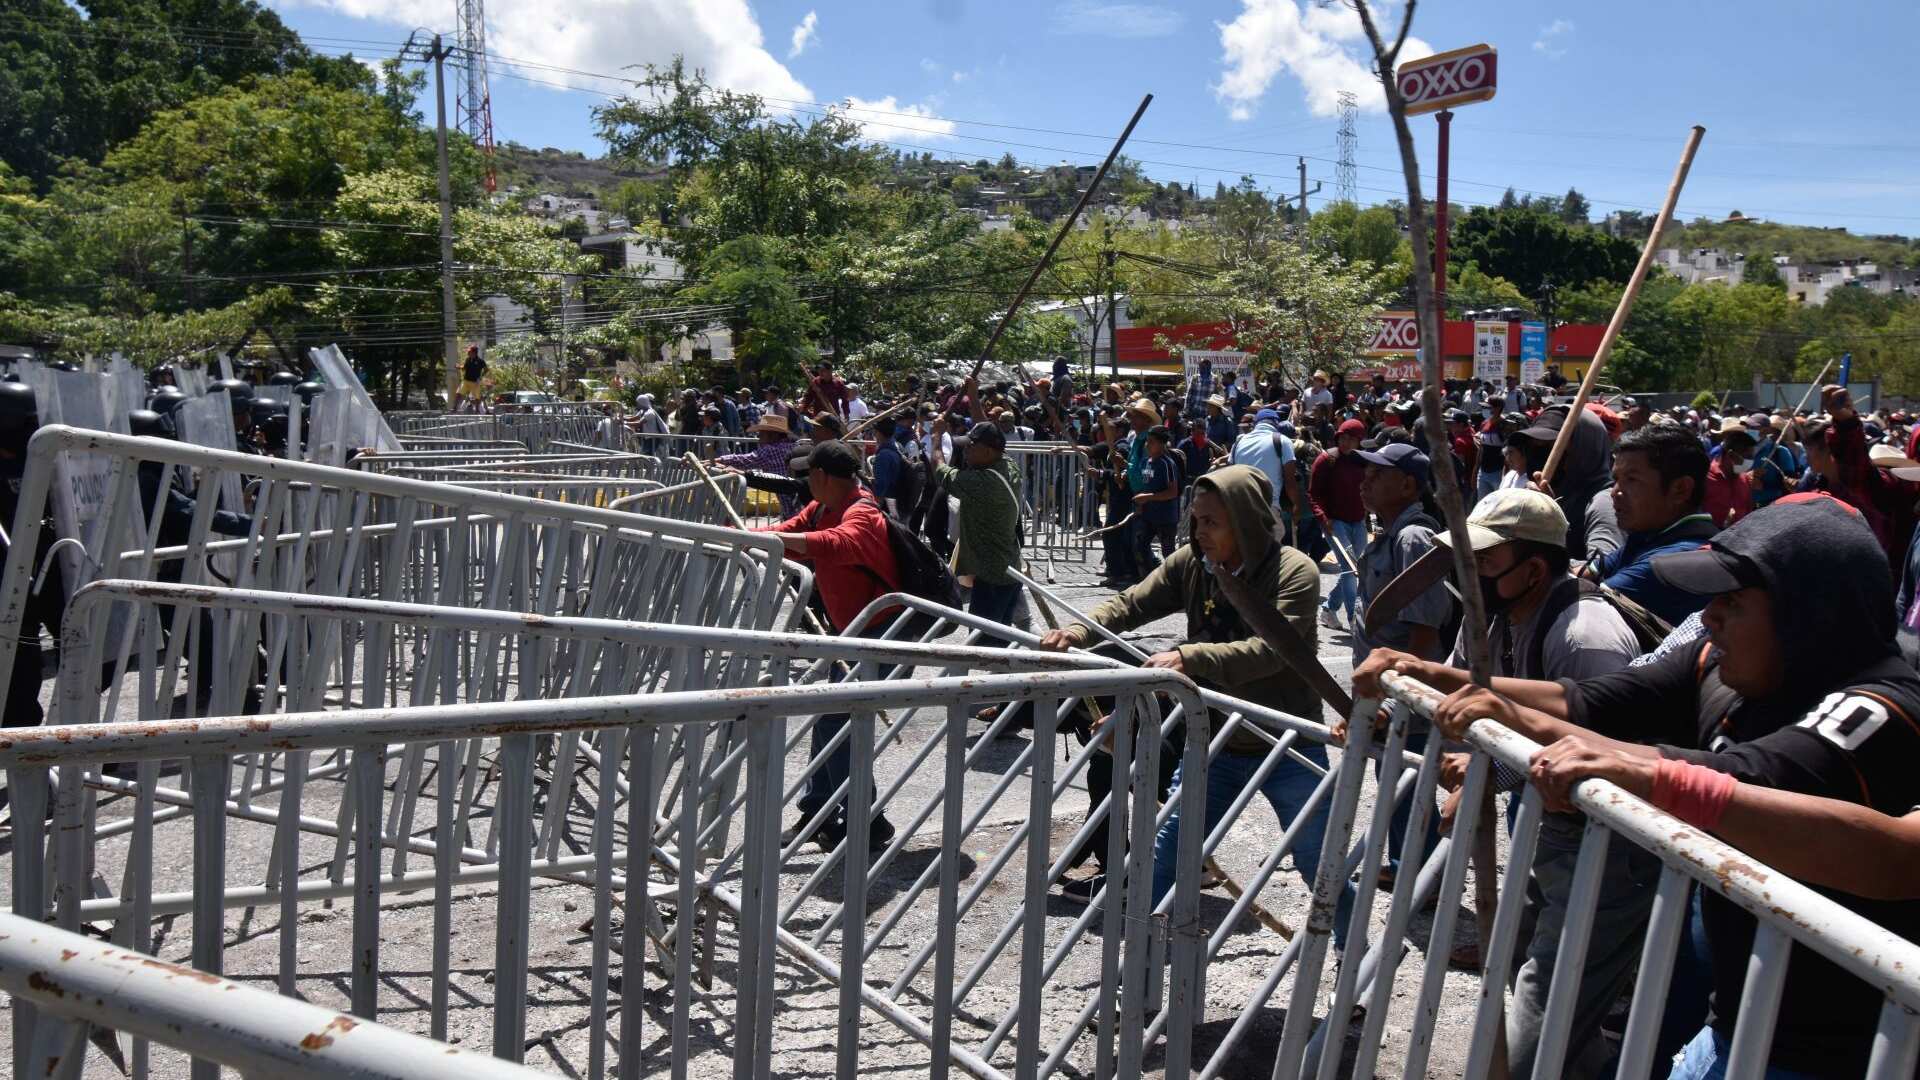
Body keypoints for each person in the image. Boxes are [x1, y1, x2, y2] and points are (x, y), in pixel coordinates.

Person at [1416, 496, 1920, 1079]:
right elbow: (1590, 702)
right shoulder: (1720, 666)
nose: (1709, 617)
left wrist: (1636, 772)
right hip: (1732, 1026)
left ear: (1809, 617)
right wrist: (1436, 677)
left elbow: (1753, 775)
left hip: (1832, 1058)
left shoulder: (1878, 708)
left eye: (1732, 601)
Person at [1353, 489, 1647, 1079]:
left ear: (1533, 569)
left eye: (1483, 562)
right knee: (1517, 952)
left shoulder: (1586, 637)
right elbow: (1457, 692)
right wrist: (1388, 713)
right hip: (1555, 829)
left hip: (1614, 848)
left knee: (1542, 1019)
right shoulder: (1493, 620)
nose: (1469, 576)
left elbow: (1600, 743)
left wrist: (1492, 773)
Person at [1036, 465, 1354, 941]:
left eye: (1212, 522)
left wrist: (1190, 656)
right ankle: (1137, 966)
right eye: (1196, 520)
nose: (1199, 532)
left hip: (1286, 741)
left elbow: (1273, 650)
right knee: (1166, 856)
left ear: (1245, 521)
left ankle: (1356, 959)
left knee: (1319, 864)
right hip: (1214, 740)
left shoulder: (1294, 571)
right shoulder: (1193, 563)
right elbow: (1132, 603)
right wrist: (1079, 631)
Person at [761, 440, 904, 852]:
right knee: (831, 718)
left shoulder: (863, 512)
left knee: (841, 722)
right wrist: (741, 537)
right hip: (851, 634)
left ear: (822, 475)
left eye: (808, 474)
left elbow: (836, 543)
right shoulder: (820, 508)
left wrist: (783, 540)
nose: (805, 480)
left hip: (884, 634)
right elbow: (789, 533)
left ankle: (867, 819)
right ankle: (820, 809)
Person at [1348, 441, 1451, 887]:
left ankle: (1422, 877)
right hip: (1387, 690)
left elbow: (1424, 631)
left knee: (1408, 778)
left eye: (1378, 474)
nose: (1365, 481)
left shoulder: (1413, 538)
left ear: (1408, 485)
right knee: (1396, 776)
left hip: (1404, 691)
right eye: (1366, 472)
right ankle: (1409, 865)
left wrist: (1401, 700)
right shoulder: (1391, 535)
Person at [1584, 423, 1718, 628]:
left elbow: (1577, 605)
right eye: (1616, 479)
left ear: (1680, 489)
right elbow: (1583, 573)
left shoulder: (1672, 562)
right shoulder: (1650, 536)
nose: (1614, 492)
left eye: (1632, 479)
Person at [928, 417, 1023, 626]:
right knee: (1001, 635)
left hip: (992, 576)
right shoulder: (1008, 465)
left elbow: (941, 471)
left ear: (988, 451)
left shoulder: (984, 482)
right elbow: (990, 431)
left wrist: (936, 438)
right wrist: (974, 398)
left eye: (971, 446)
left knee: (983, 639)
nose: (965, 451)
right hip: (1008, 568)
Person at [1309, 418, 1368, 631]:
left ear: (1359, 441)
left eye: (1351, 439)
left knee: (1354, 569)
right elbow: (1313, 494)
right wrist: (1324, 519)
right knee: (1350, 569)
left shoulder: (1363, 461)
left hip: (1359, 521)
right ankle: (1354, 620)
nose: (1346, 442)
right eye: (1343, 437)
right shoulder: (1327, 459)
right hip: (1335, 523)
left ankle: (1329, 609)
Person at [1229, 408, 1307, 547]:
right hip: (1267, 508)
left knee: (1243, 550)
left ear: (1256, 424)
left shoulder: (1239, 441)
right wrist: (1296, 505)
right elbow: (1290, 481)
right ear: (1276, 424)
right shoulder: (1282, 441)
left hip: (1239, 507)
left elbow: (1231, 472)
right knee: (1269, 553)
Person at [714, 414, 803, 516]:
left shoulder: (770, 450)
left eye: (761, 434)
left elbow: (745, 460)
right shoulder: (794, 446)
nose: (758, 437)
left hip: (792, 508)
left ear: (773, 435)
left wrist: (720, 460)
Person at [1131, 426, 1181, 571]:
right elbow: (1146, 486)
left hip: (1165, 517)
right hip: (1148, 515)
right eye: (1147, 441)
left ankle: (1175, 579)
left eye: (1152, 442)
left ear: (1161, 444)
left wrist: (1148, 497)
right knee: (1140, 546)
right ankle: (1150, 576)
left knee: (1168, 552)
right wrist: (1140, 504)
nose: (1147, 445)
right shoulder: (1146, 462)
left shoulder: (1166, 464)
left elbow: (1173, 492)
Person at [1703, 418, 1757, 528]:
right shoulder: (1704, 478)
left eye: (1752, 457)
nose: (1750, 461)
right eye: (1747, 457)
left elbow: (1748, 512)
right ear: (1731, 455)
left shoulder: (1744, 480)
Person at [1477, 395, 1509, 501]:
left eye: (1489, 407)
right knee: (1482, 503)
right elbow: (1481, 448)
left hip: (1498, 471)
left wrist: (1505, 473)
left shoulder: (1505, 424)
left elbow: (1508, 451)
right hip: (1483, 472)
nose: (1486, 409)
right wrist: (1475, 470)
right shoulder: (1484, 423)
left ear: (1498, 408)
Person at [455, 345, 487, 413]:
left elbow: (486, 369)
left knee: (477, 396)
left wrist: (481, 377)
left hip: (475, 382)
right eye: (468, 352)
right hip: (466, 380)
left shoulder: (480, 361)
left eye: (470, 352)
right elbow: (464, 367)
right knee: (458, 393)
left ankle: (477, 410)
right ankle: (454, 408)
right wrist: (459, 367)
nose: (468, 353)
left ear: (474, 353)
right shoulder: (468, 359)